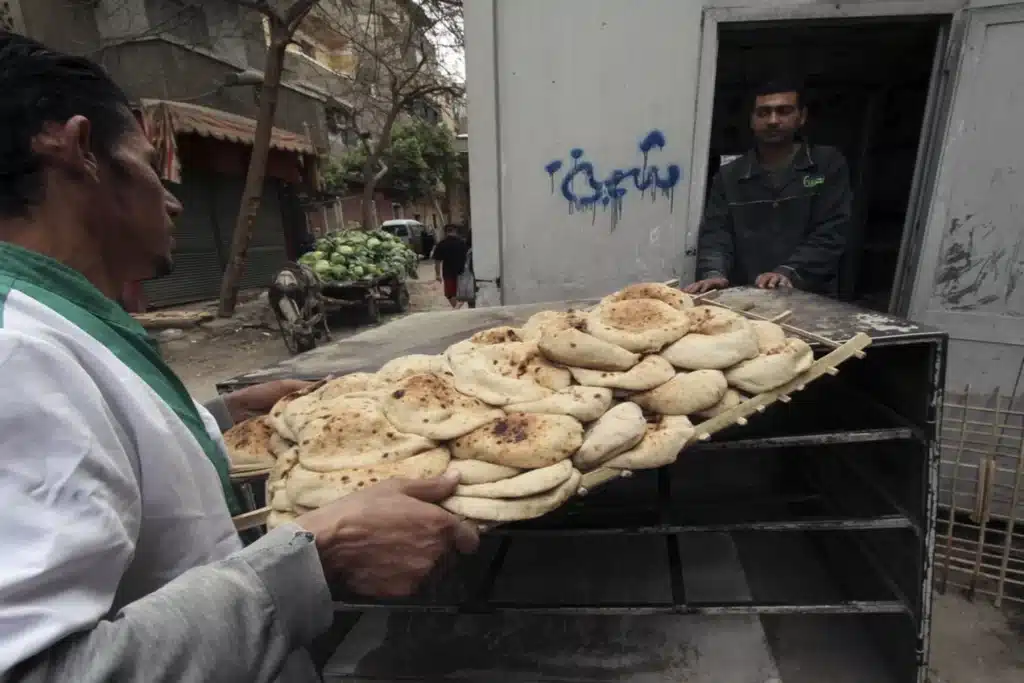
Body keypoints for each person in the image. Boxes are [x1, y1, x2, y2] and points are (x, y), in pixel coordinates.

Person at [0, 32, 478, 682]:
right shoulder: (16, 354)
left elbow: (100, 462)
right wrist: (320, 557)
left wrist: (216, 418)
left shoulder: (51, 321)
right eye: (148, 162)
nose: (172, 197)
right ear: (80, 149)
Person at [684, 77, 853, 297]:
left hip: (809, 295)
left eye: (783, 111)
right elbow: (717, 232)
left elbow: (831, 231)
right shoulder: (731, 175)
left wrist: (789, 272)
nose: (773, 120)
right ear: (752, 120)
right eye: (763, 113)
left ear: (801, 117)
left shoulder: (826, 164)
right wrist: (713, 272)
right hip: (747, 295)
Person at [432, 223, 469, 309]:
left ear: (445, 232)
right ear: (455, 231)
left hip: (448, 273)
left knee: (450, 294)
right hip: (462, 272)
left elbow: (437, 261)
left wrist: (438, 274)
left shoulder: (441, 244)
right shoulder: (462, 243)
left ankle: (456, 307)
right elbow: (469, 257)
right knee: (463, 293)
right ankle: (458, 307)